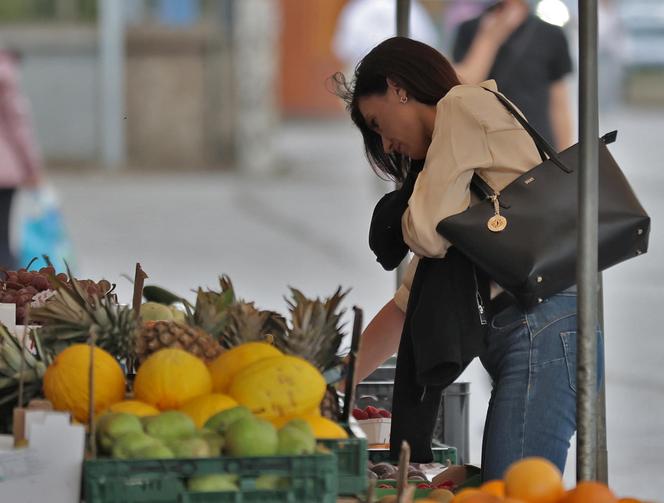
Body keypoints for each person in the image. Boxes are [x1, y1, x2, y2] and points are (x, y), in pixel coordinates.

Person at [334, 37, 603, 480]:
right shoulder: (459, 172)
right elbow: (409, 301)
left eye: (379, 123)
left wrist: (401, 208)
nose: (386, 143)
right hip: (538, 333)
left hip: (541, 330)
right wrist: (334, 387)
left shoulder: (461, 106)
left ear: (399, 88)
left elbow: (424, 233)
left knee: (515, 492)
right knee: (503, 485)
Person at [452, 0, 574, 151]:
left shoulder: (551, 34)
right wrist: (491, 37)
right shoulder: (470, 30)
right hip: (486, 146)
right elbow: (465, 84)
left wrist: (565, 159)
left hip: (538, 146)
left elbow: (559, 104)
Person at [0, 49, 43, 269]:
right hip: (4, 171)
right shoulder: (6, 78)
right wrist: (32, 170)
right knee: (3, 237)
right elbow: (19, 129)